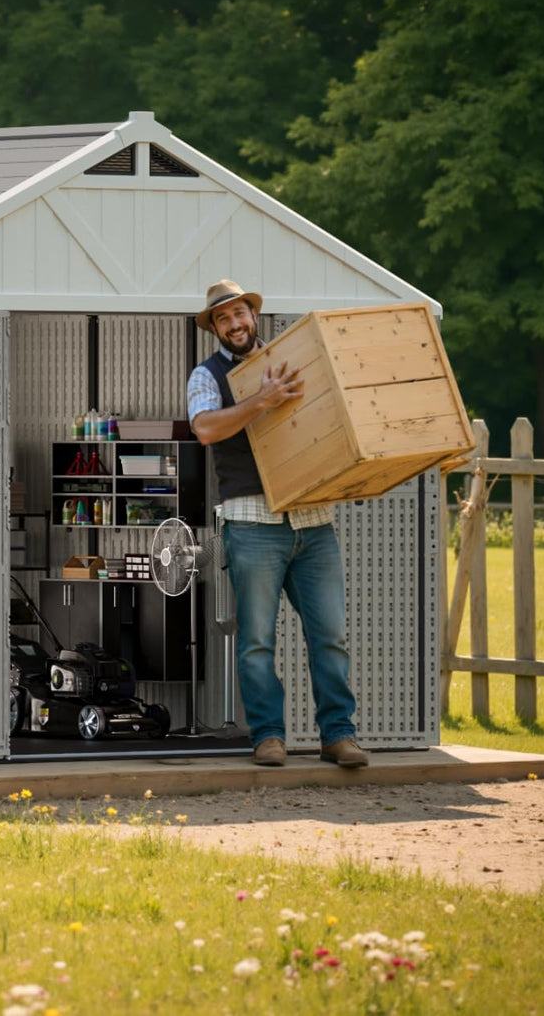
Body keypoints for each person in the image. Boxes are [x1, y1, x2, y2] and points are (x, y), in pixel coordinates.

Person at [186, 279, 368, 769]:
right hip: (251, 524)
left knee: (329, 635)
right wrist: (260, 401)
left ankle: (339, 735)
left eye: (239, 313)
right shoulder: (205, 376)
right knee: (257, 642)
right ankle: (268, 737)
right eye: (222, 318)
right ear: (215, 329)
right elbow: (205, 428)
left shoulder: (293, 358)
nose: (234, 324)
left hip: (314, 521)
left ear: (253, 315)